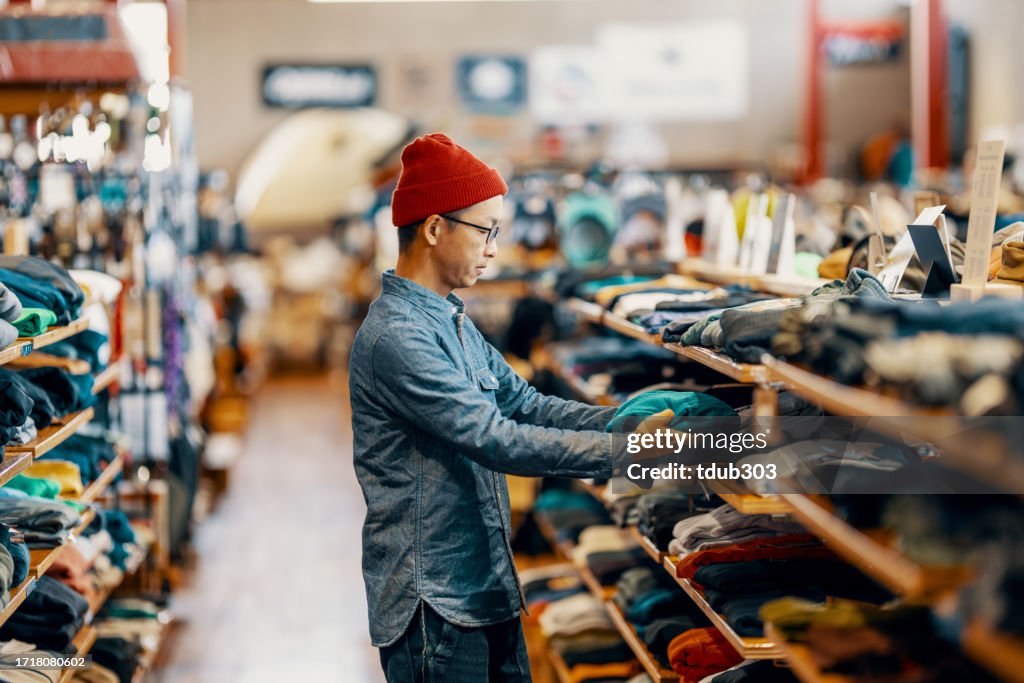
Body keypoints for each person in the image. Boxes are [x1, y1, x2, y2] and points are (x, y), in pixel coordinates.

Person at [349, 134, 636, 682]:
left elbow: (524, 404)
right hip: (435, 607)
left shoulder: (452, 319)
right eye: (485, 231)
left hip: (486, 588)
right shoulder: (396, 338)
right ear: (434, 229)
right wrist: (628, 452)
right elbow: (495, 437)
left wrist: (627, 420)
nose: (494, 249)